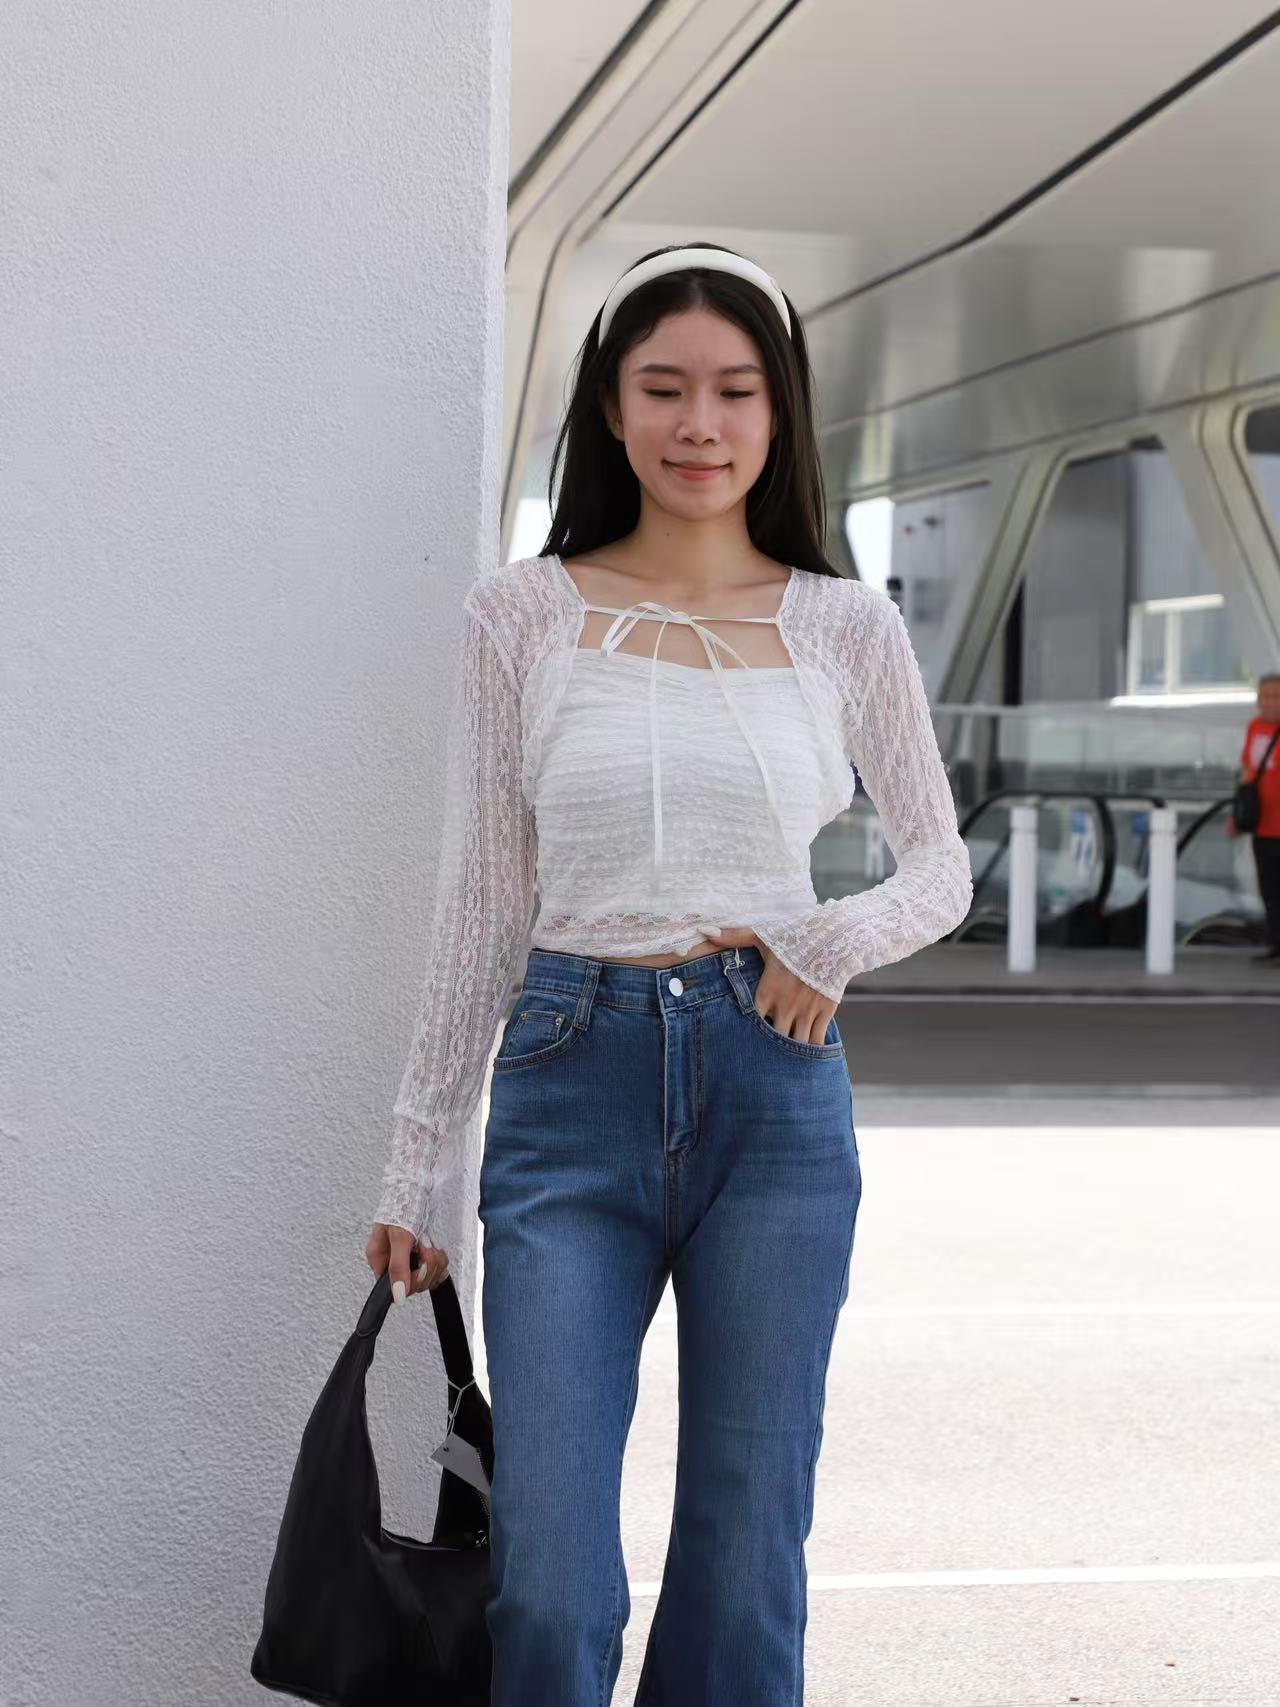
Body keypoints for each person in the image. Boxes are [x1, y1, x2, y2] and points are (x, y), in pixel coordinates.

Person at [364, 243, 975, 1705]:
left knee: (748, 1560)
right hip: (570, 1078)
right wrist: (419, 1161)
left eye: (734, 391)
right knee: (554, 1587)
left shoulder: (845, 621)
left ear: (781, 413)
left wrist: (821, 943)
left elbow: (938, 867)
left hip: (775, 1096)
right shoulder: (524, 612)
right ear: (613, 408)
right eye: (665, 389)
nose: (701, 425)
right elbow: (486, 903)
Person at [1226, 670, 1280, 962]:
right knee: (1269, 889)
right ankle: (1275, 945)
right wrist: (1238, 814)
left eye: (1276, 695)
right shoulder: (1255, 728)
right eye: (1265, 695)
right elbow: (1248, 774)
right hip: (1263, 825)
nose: (1270, 702)